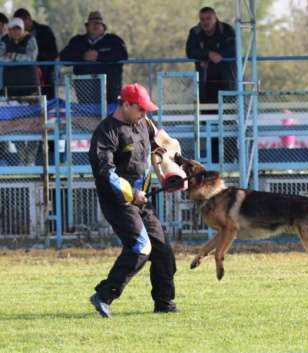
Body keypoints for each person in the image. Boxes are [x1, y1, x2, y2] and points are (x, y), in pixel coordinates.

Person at [88, 83, 178, 318]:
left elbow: (160, 148)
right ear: (125, 104)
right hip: (118, 202)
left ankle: (165, 304)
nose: (144, 114)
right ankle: (104, 296)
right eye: (140, 109)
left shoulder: (144, 123)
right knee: (141, 247)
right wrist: (132, 194)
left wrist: (169, 175)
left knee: (162, 251)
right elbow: (105, 173)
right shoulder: (106, 132)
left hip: (143, 201)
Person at [186, 6, 236, 163]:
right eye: (202, 20)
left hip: (226, 85)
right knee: (207, 123)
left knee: (227, 122)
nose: (205, 23)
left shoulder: (227, 30)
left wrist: (217, 56)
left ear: (215, 18)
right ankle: (212, 160)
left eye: (208, 19)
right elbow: (190, 51)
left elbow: (233, 51)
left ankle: (228, 159)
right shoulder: (194, 32)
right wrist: (208, 54)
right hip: (205, 87)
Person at [60, 11, 128, 104]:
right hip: (85, 92)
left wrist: (100, 56)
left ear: (104, 27)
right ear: (87, 27)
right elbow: (64, 58)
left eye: (98, 23)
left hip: (110, 92)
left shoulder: (113, 40)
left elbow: (123, 55)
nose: (95, 26)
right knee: (88, 116)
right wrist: (82, 56)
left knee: (110, 116)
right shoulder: (77, 41)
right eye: (92, 23)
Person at [13, 8, 58, 100]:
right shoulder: (15, 36)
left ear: (28, 20)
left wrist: (34, 57)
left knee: (47, 103)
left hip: (45, 75)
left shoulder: (45, 31)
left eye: (21, 23)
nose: (19, 27)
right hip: (23, 77)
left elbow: (54, 52)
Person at [0, 17, 39, 97]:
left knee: (31, 108)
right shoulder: (4, 40)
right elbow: (0, 57)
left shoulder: (30, 39)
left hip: (29, 84)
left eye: (18, 29)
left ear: (23, 29)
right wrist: (21, 58)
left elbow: (31, 58)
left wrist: (13, 56)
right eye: (13, 29)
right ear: (9, 30)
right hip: (9, 85)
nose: (16, 31)